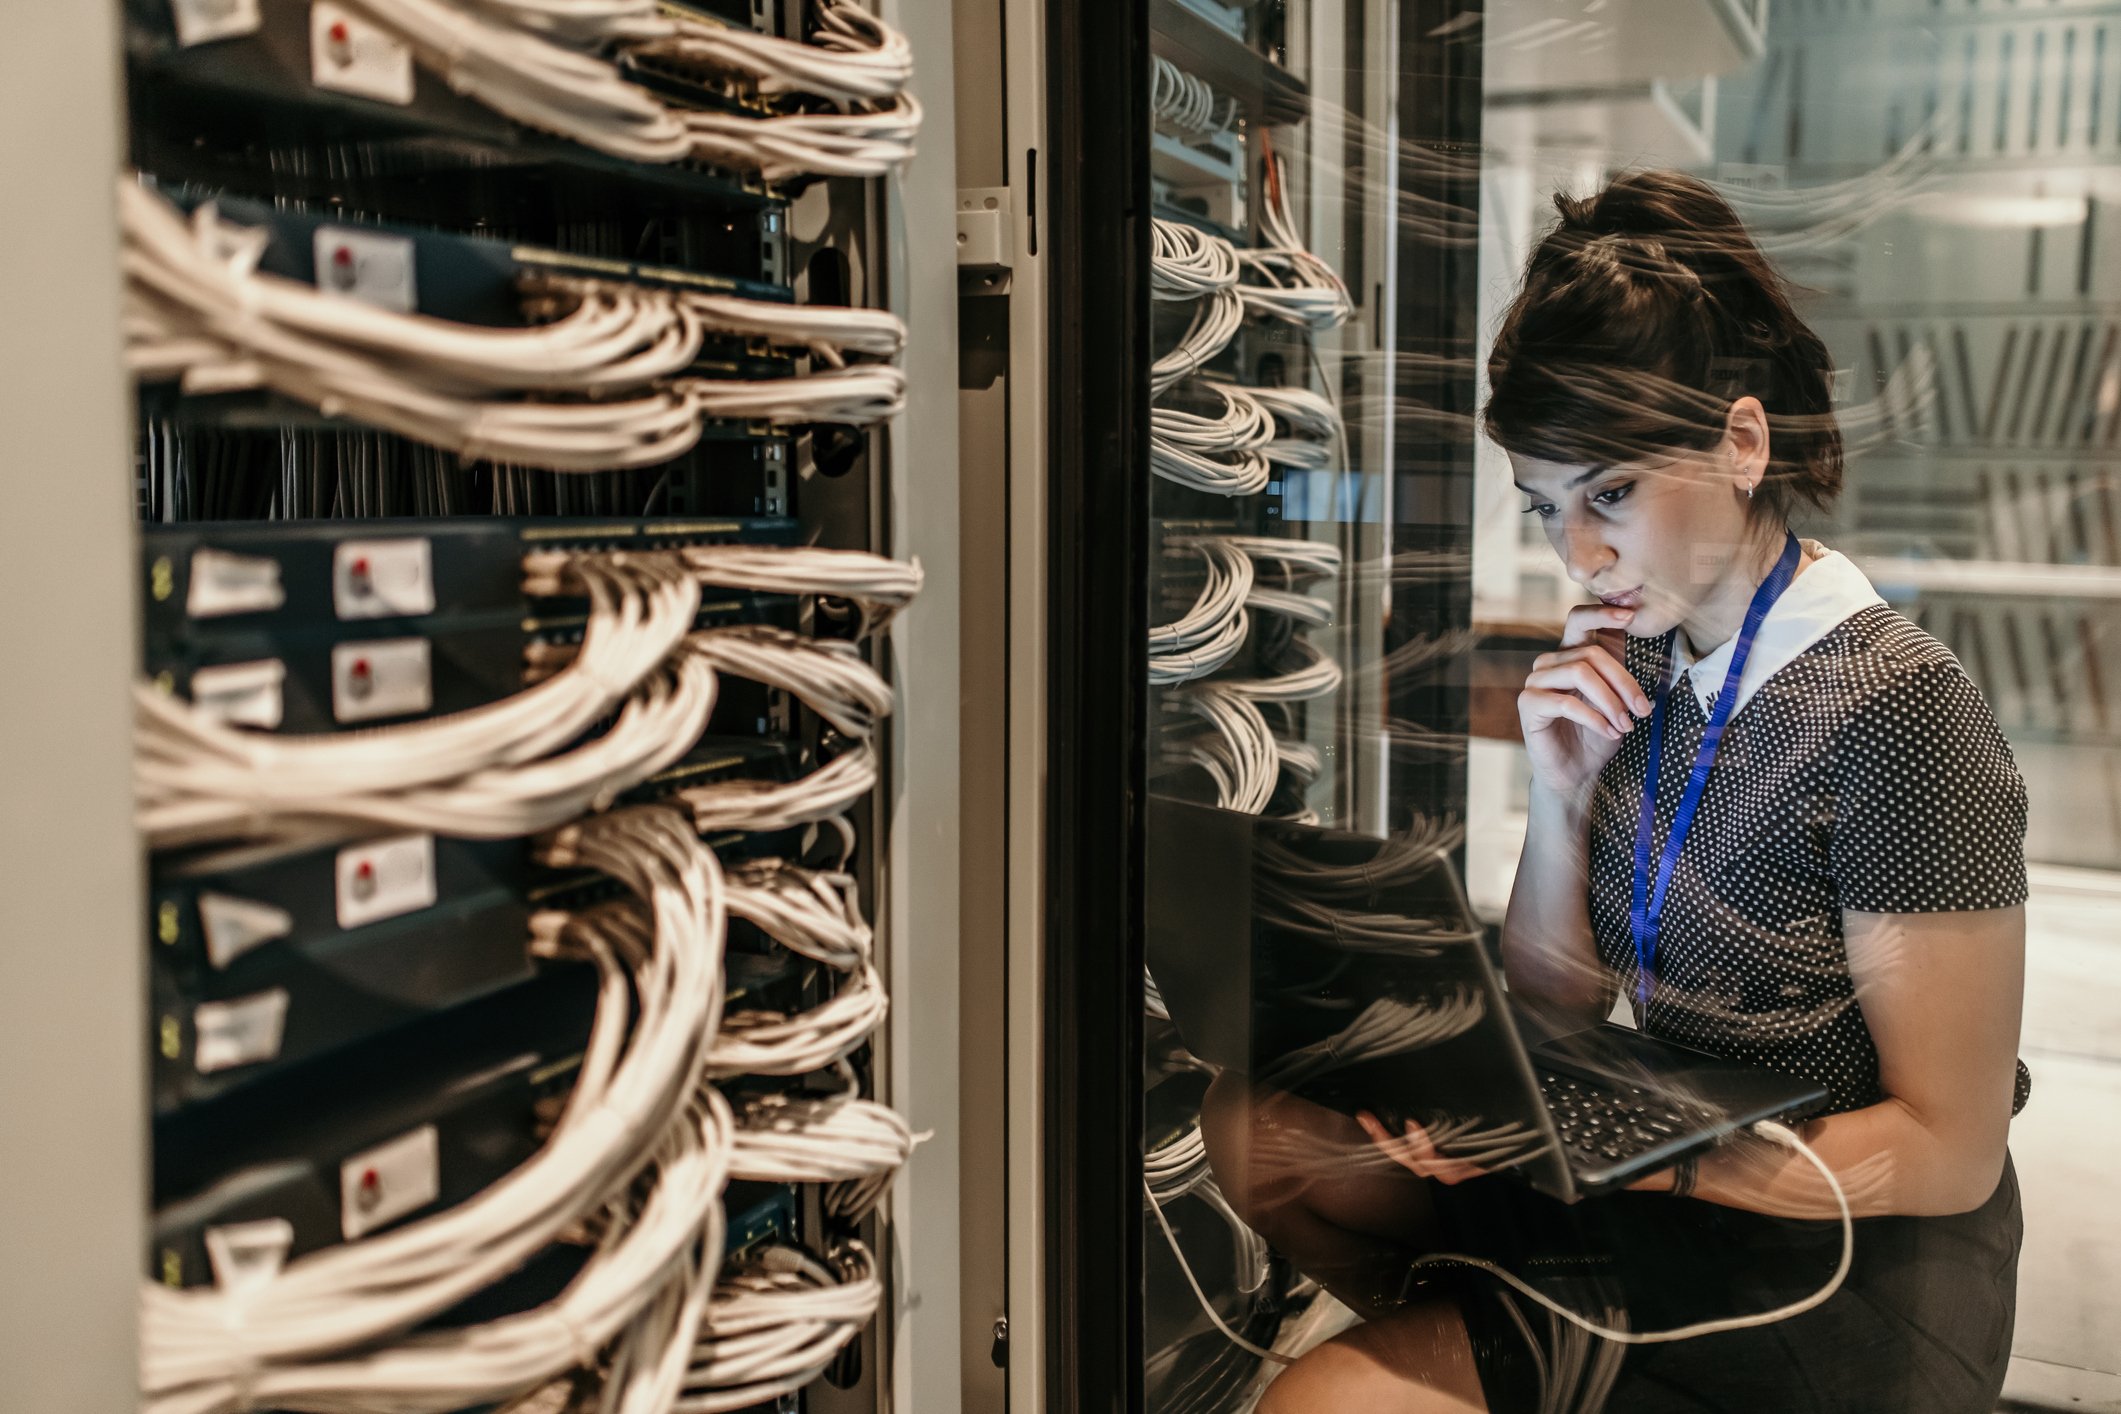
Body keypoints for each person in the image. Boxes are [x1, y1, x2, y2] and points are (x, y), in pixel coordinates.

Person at [1200, 169, 2030, 1412]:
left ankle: (1490, 1360)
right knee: (1256, 1129)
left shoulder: (1898, 708)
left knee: (1323, 1401)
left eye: (1613, 495)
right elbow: (1559, 1001)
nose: (1577, 556)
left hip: (1851, 1260)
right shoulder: (1646, 654)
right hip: (1664, 1162)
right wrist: (1563, 791)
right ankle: (1506, 1350)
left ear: (1744, 442)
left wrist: (1653, 1169)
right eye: (1547, 508)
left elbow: (1949, 1150)